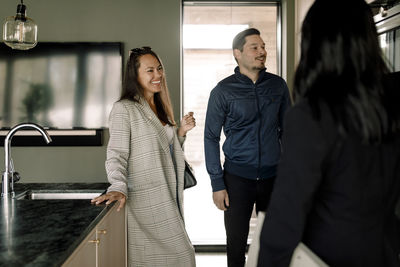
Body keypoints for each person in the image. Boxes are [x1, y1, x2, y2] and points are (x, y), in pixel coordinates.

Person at [256, 0, 400, 266]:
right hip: (384, 253)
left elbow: (286, 217)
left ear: (315, 45)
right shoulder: (391, 103)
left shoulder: (312, 115)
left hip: (328, 256)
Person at [91, 46, 196, 267]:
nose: (158, 75)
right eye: (150, 70)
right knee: (170, 257)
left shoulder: (159, 108)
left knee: (179, 258)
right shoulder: (124, 109)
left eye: (159, 69)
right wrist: (117, 186)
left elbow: (164, 149)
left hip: (167, 196)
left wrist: (180, 133)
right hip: (144, 201)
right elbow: (116, 154)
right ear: (135, 75)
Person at [204, 28, 290, 267]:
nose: (262, 51)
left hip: (273, 178)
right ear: (238, 53)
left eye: (263, 47)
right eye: (255, 47)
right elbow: (211, 137)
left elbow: (289, 132)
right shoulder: (222, 91)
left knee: (273, 245)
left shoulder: (278, 86)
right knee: (236, 246)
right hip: (236, 180)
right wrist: (217, 184)